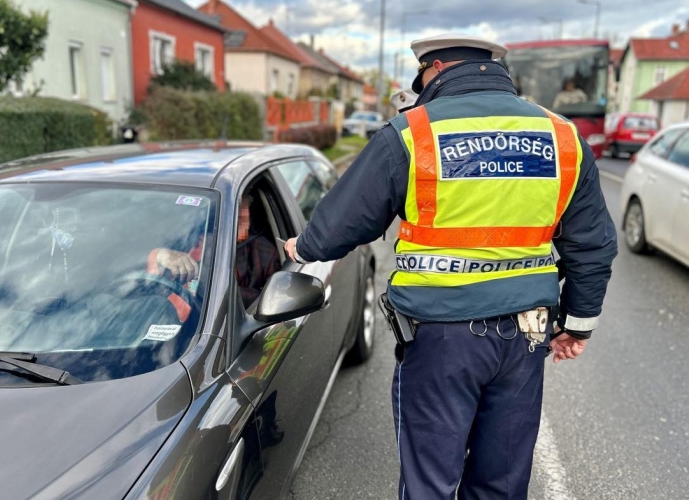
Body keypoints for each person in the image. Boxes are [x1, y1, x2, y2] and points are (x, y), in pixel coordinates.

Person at [285, 32, 617, 499]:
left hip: (440, 336)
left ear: (436, 68)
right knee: (501, 483)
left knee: (430, 483)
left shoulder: (412, 132)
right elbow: (594, 244)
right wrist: (578, 324)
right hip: (527, 337)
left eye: (420, 77)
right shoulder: (562, 136)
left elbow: (341, 224)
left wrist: (300, 248)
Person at [149, 195, 280, 319]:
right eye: (237, 219)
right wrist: (158, 255)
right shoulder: (181, 243)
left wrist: (210, 286)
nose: (243, 230)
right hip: (165, 322)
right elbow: (145, 286)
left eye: (244, 219)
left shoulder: (263, 252)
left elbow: (273, 302)